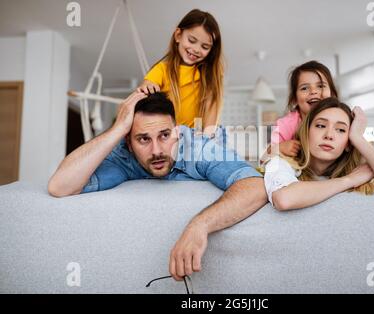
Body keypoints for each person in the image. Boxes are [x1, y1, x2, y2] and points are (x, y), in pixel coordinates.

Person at [48, 91, 267, 280]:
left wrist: (199, 225)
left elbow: (255, 186)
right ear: (129, 143)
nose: (157, 151)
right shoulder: (124, 157)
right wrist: (117, 130)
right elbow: (60, 186)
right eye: (143, 139)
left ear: (177, 132)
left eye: (165, 135)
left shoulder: (198, 148)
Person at [264, 97, 374, 210]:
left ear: (348, 143)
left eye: (341, 130)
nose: (329, 135)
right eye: (320, 125)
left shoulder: (361, 169)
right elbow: (284, 198)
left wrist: (358, 138)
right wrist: (349, 181)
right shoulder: (281, 161)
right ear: (306, 133)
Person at [137, 9, 224, 136]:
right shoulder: (162, 69)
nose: (196, 49)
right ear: (178, 35)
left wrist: (205, 142)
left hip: (193, 141)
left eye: (204, 47)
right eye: (192, 41)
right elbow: (147, 84)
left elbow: (210, 123)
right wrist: (147, 87)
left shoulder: (209, 78)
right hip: (164, 138)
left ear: (211, 50)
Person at [264, 60, 338, 160]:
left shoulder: (341, 119)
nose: (313, 91)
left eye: (320, 86)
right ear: (295, 98)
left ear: (332, 93)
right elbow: (264, 157)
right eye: (304, 88)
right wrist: (280, 148)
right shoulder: (287, 124)